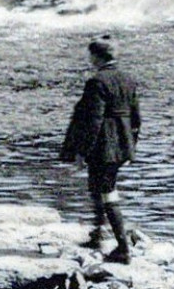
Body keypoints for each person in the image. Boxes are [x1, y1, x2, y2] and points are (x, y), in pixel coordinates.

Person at [59, 37, 141, 263]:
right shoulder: (129, 79)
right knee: (98, 187)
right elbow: (136, 119)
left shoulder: (96, 82)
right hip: (122, 144)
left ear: (96, 57)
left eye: (91, 56)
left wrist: (82, 151)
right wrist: (131, 146)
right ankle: (97, 234)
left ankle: (123, 248)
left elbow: (93, 120)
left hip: (104, 144)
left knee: (106, 192)